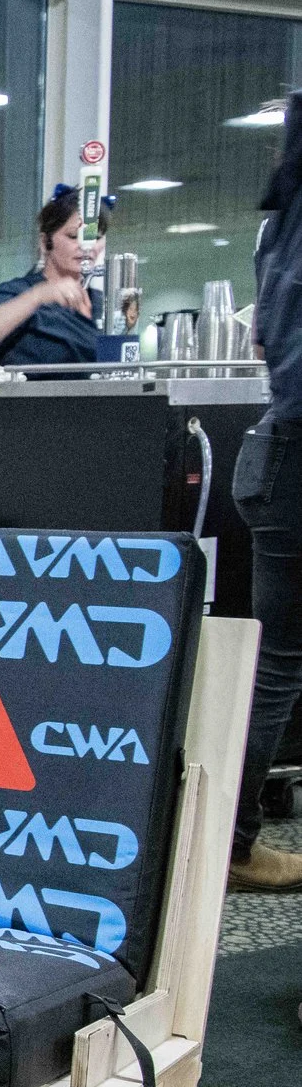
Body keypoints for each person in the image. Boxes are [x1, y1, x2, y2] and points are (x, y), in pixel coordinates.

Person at [229, 93, 302, 892]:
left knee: (273, 665)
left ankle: (233, 840)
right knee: (276, 666)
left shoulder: (281, 214)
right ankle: (235, 843)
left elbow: (262, 336)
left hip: (278, 448)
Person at [0, 186, 106, 367]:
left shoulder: (102, 304)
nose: (86, 246)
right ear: (45, 241)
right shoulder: (18, 293)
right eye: (73, 236)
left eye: (95, 237)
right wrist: (37, 297)